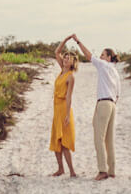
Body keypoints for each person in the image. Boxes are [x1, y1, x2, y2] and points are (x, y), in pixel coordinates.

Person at [71, 33, 120, 180]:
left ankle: (102, 170)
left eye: (103, 55)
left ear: (109, 57)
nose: (101, 57)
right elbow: (118, 94)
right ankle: (111, 171)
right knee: (109, 140)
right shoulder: (115, 72)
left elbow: (88, 55)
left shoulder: (104, 66)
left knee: (99, 138)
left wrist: (78, 42)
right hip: (112, 105)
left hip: (104, 103)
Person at [48, 35, 78, 177]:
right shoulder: (62, 70)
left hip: (64, 109)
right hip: (56, 109)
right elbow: (56, 52)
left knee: (65, 141)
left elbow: (69, 96)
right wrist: (66, 40)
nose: (65, 59)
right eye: (65, 57)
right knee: (56, 140)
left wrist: (67, 114)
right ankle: (61, 169)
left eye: (68, 58)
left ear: (73, 63)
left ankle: (72, 171)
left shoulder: (70, 76)